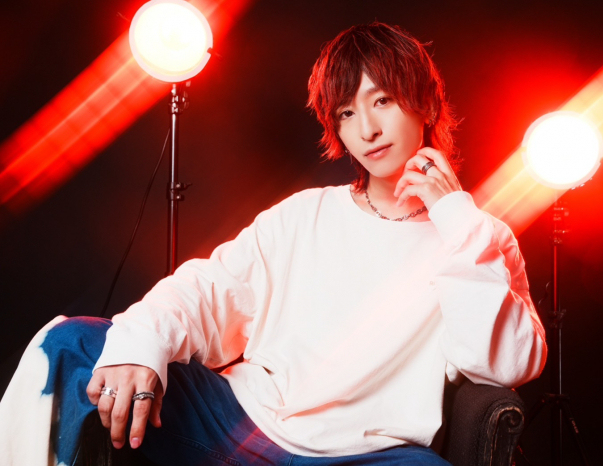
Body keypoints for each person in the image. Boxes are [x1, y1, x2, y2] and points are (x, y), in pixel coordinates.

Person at [0, 22, 547, 465]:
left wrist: (453, 215)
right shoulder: (304, 214)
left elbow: (505, 365)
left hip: (371, 454)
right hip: (240, 424)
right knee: (71, 346)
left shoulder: (478, 237)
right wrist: (140, 344)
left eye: (381, 101)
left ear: (424, 103)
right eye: (347, 113)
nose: (367, 130)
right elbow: (206, 289)